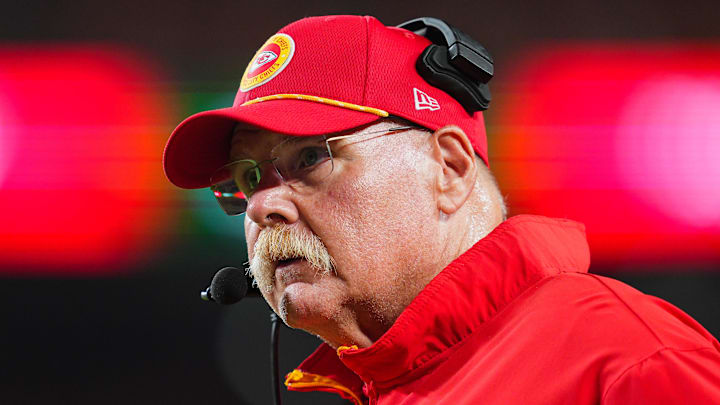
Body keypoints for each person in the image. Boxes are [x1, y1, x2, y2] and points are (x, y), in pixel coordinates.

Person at [163, 15, 720, 405]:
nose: (263, 205)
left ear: (448, 169)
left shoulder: (630, 360)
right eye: (248, 178)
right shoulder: (388, 380)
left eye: (310, 157)